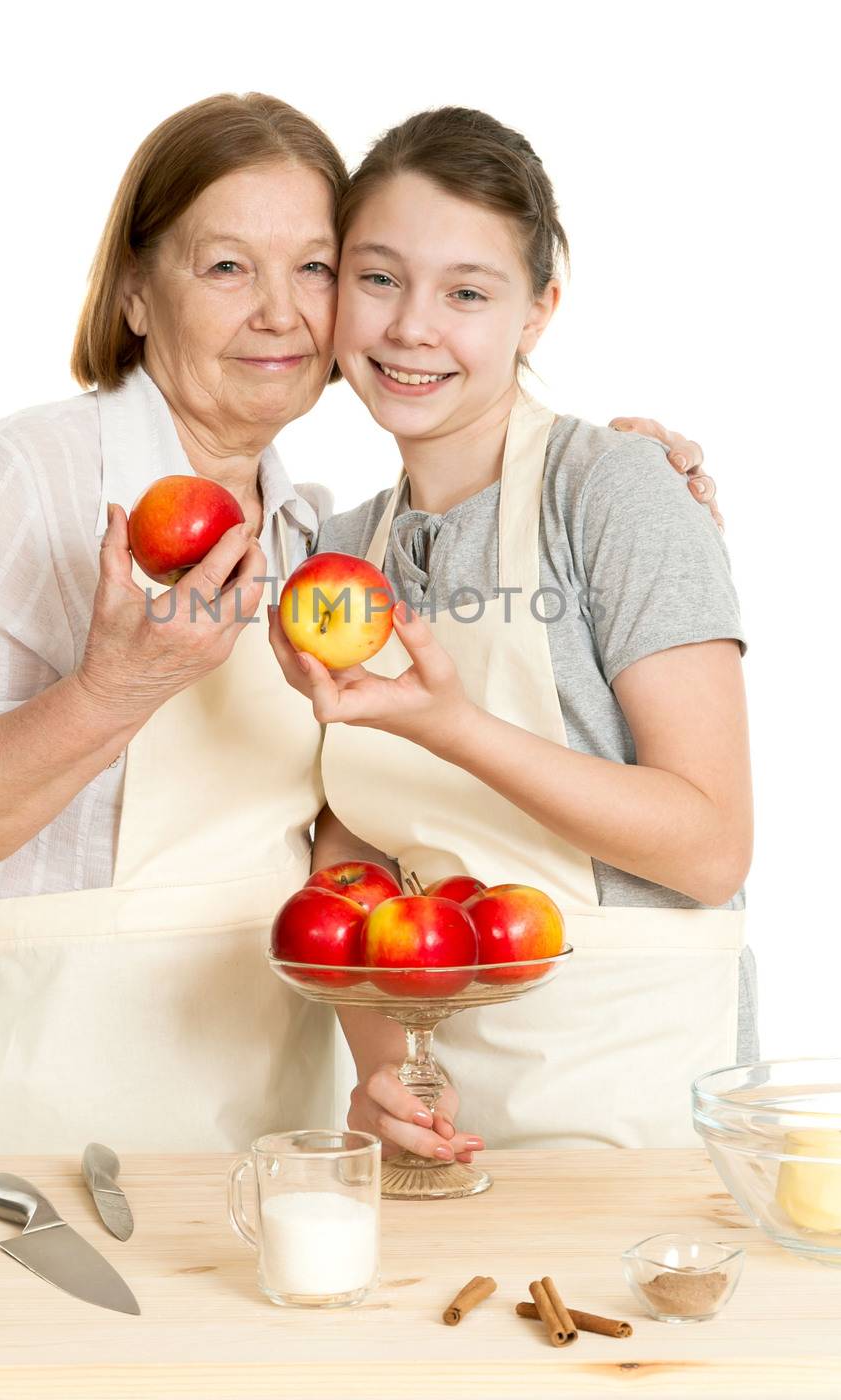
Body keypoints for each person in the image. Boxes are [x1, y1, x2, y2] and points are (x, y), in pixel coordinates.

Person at [0, 92, 723, 1157]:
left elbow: (343, 847)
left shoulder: (319, 538)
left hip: (254, 1111)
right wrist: (112, 689)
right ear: (134, 292)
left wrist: (637, 485)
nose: (279, 312)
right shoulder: (31, 477)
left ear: (537, 306)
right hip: (8, 1079)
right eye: (226, 267)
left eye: (311, 268)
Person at [268, 105, 753, 1161]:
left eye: (467, 294)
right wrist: (381, 1068)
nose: (409, 327)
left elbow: (710, 846)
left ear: (537, 312)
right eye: (379, 277)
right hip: (441, 1126)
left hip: (636, 1119)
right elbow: (351, 837)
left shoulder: (615, 491)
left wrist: (453, 727)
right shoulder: (341, 551)